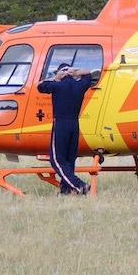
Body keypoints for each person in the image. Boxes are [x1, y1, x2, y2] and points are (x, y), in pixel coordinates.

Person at [38, 63, 95, 195]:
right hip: (75, 124)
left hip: (61, 124)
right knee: (69, 159)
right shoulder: (80, 85)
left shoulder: (57, 85)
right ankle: (66, 190)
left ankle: (78, 185)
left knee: (57, 159)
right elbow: (88, 75)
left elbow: (40, 86)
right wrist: (75, 72)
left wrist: (56, 78)